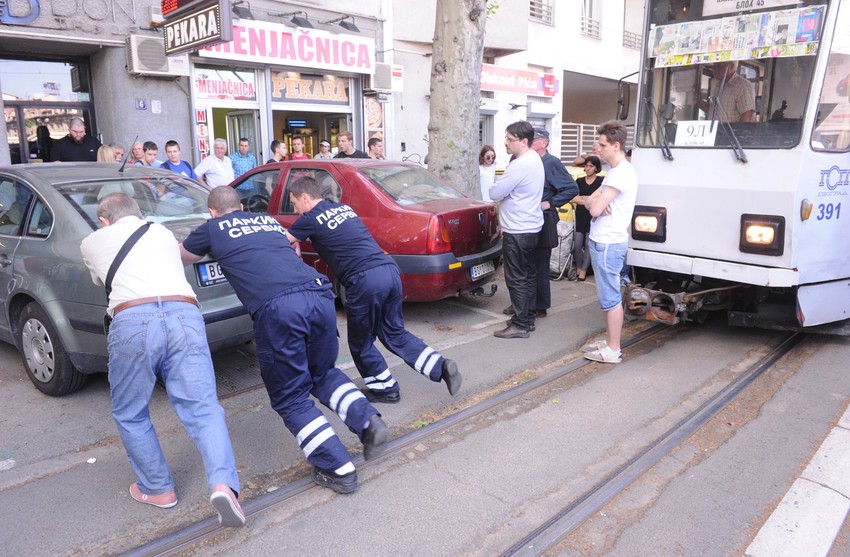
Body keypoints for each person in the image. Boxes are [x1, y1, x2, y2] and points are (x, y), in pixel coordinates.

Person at [180, 186, 389, 494]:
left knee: (289, 396)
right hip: (318, 295)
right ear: (241, 206)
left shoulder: (212, 227)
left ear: (212, 211)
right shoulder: (267, 220)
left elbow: (181, 256)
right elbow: (294, 251)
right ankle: (368, 422)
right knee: (323, 373)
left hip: (280, 307)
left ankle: (338, 468)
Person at [79, 193, 245, 527]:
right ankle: (223, 484)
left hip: (133, 319)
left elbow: (101, 279)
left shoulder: (92, 241)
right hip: (184, 313)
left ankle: (158, 489)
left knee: (131, 411)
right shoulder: (162, 233)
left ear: (104, 220)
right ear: (139, 214)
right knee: (204, 408)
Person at [284, 175, 462, 404]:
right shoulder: (343, 209)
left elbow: (283, 241)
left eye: (294, 202)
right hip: (389, 271)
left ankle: (385, 389)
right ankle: (441, 366)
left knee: (360, 341)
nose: (295, 208)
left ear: (305, 197)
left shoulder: (310, 218)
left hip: (364, 279)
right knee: (394, 332)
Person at [583, 120, 639, 364]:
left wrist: (596, 202)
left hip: (608, 242)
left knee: (610, 297)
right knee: (607, 295)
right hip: (603, 240)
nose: (598, 149)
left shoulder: (622, 173)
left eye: (603, 144)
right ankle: (609, 342)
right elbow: (589, 201)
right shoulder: (615, 173)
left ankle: (614, 349)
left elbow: (594, 208)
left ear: (616, 145)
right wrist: (595, 202)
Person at [488, 121, 544, 339]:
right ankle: (527, 318)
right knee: (528, 275)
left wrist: (500, 190)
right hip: (530, 226)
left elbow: (496, 191)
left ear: (524, 141)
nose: (506, 143)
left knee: (516, 277)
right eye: (506, 138)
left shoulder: (520, 164)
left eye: (510, 139)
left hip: (518, 229)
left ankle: (520, 324)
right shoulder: (534, 159)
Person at [526, 127, 578, 317]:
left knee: (540, 264)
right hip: (528, 220)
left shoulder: (551, 162)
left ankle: (540, 306)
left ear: (543, 143)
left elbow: (571, 188)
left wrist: (550, 203)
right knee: (527, 264)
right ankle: (525, 303)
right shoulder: (528, 161)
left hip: (545, 220)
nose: (528, 142)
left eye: (532, 139)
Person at [571, 155, 604, 282]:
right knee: (577, 243)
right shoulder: (579, 181)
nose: (588, 168)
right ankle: (579, 267)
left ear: (596, 168)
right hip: (580, 215)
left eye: (591, 166)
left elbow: (600, 198)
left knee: (588, 244)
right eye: (586, 166)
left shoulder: (601, 181)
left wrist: (585, 198)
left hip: (592, 216)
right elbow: (573, 198)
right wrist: (588, 199)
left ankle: (584, 270)